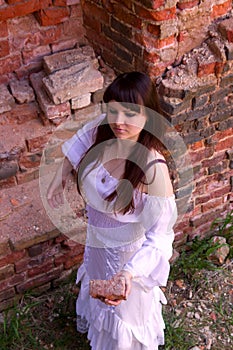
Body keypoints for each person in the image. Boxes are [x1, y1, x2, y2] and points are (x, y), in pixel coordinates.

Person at [47, 71, 177, 350]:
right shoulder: (103, 129)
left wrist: (129, 273)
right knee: (96, 290)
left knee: (123, 314)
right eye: (113, 111)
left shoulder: (153, 171)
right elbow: (81, 139)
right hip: (96, 244)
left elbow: (161, 238)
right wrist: (61, 175)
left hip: (127, 259)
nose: (119, 121)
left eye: (130, 113)